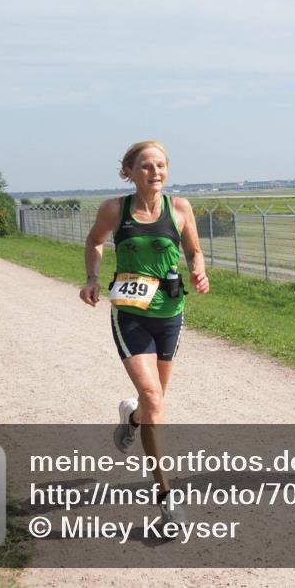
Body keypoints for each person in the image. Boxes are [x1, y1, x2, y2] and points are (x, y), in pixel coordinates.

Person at [78, 140, 209, 530]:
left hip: (170, 313)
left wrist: (200, 269)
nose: (155, 172)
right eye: (147, 166)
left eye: (161, 165)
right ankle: (166, 498)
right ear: (130, 171)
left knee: (153, 406)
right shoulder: (114, 209)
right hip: (131, 314)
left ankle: (131, 418)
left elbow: (194, 251)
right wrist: (91, 278)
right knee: (153, 398)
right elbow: (94, 241)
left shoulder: (180, 208)